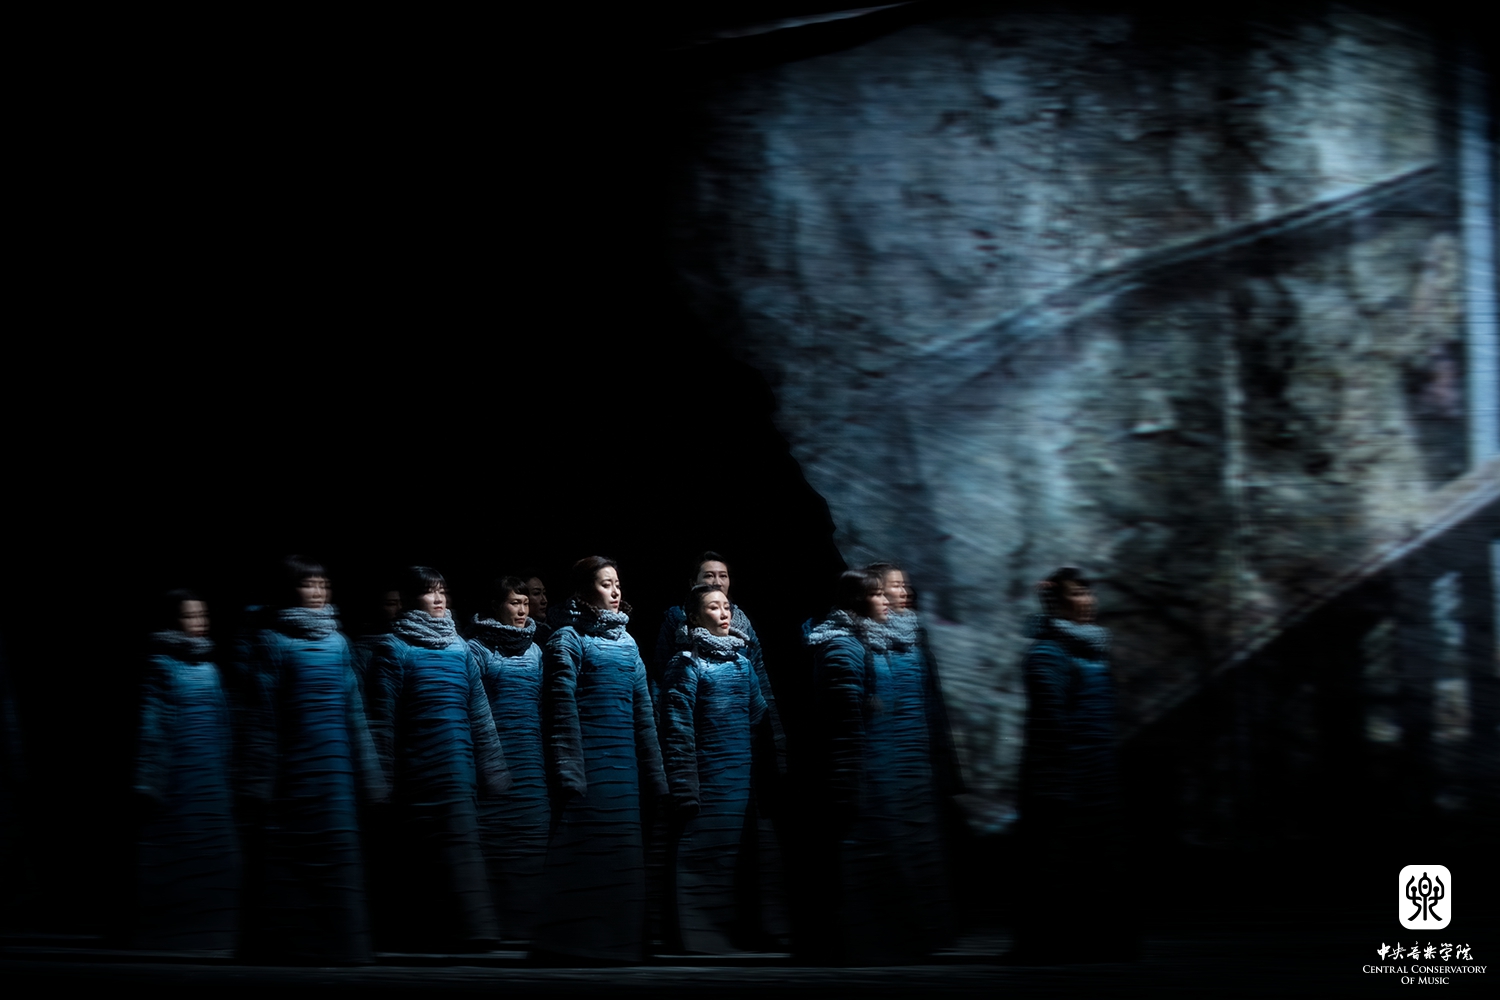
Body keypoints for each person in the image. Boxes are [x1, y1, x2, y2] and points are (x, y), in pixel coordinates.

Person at [240, 556, 386, 964]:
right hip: (295, 768)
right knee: (291, 854)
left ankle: (339, 943)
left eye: (323, 584)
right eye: (309, 584)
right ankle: (287, 943)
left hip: (335, 770)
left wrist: (370, 776)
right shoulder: (272, 641)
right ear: (291, 590)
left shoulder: (339, 643)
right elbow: (262, 717)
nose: (319, 592)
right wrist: (258, 781)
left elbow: (355, 712)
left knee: (336, 854)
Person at [803, 568, 953, 964]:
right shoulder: (843, 648)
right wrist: (848, 782)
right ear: (858, 601)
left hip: (876, 773)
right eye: (878, 594)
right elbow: (845, 727)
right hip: (861, 775)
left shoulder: (864, 643)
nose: (888, 599)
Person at [366, 566, 511, 952]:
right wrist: (381, 781)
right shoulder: (394, 648)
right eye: (429, 592)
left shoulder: (460, 648)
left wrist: (492, 768)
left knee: (461, 846)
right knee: (420, 852)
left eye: (442, 590)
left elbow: (480, 714)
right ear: (410, 599)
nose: (438, 598)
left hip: (459, 767)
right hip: (417, 771)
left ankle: (470, 931)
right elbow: (382, 722)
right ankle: (422, 933)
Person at [531, 556, 667, 963]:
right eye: (606, 584)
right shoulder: (567, 639)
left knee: (621, 854)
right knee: (583, 852)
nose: (615, 591)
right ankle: (569, 941)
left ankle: (620, 942)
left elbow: (643, 713)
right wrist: (569, 771)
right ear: (582, 591)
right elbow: (560, 710)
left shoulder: (628, 643)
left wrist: (655, 775)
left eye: (618, 584)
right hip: (588, 766)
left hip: (624, 768)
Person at [1011, 567, 1131, 964]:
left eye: (1088, 592)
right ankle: (1049, 944)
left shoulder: (1093, 649)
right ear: (1056, 602)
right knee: (1058, 864)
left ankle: (1097, 941)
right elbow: (1050, 724)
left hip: (1097, 776)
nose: (1088, 601)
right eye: (1078, 593)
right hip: (1066, 778)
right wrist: (1056, 782)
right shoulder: (1047, 653)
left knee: (1097, 863)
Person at [660, 584, 773, 954]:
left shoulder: (742, 663)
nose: (724, 613)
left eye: (726, 606)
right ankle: (694, 937)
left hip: (739, 777)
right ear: (694, 617)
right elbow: (677, 729)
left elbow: (756, 718)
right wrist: (684, 784)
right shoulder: (686, 664)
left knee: (734, 858)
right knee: (700, 853)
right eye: (713, 607)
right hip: (707, 777)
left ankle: (730, 935)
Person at [133, 590, 241, 951]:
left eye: (202, 615)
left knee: (214, 853)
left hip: (211, 776)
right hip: (178, 775)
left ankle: (211, 929)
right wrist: (148, 779)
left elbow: (224, 723)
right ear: (173, 620)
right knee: (177, 849)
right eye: (189, 616)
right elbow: (152, 725)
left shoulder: (210, 667)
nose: (199, 622)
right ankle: (169, 930)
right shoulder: (161, 665)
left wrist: (227, 770)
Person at [467, 575, 549, 944]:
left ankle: (527, 927)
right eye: (514, 602)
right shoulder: (476, 649)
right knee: (495, 845)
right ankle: (495, 926)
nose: (522, 609)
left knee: (532, 844)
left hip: (531, 763)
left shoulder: (536, 651)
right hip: (493, 760)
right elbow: (472, 710)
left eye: (525, 602)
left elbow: (544, 707)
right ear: (496, 605)